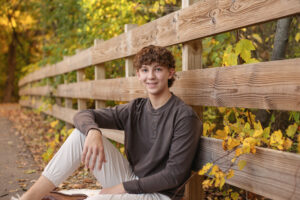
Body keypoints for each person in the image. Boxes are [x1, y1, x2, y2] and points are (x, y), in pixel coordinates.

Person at [18, 45, 202, 200]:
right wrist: (93, 131)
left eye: (158, 69)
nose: (151, 76)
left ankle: (80, 196)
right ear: (138, 74)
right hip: (132, 180)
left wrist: (122, 187)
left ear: (170, 73)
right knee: (80, 134)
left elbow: (173, 175)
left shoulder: (184, 117)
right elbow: (83, 115)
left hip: (160, 195)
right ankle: (30, 197)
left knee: (96, 197)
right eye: (145, 70)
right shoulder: (135, 109)